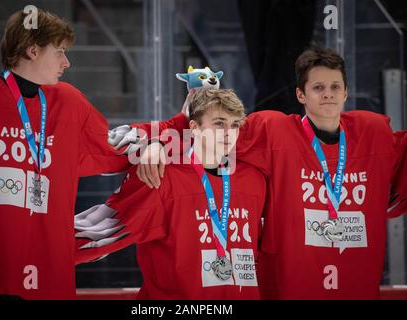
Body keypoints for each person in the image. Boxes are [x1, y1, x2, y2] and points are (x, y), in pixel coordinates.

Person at [132, 46, 407, 299]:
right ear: (301, 94)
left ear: (347, 92)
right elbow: (210, 128)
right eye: (318, 87)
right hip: (288, 286)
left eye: (336, 86)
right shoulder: (272, 131)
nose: (328, 94)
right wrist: (158, 142)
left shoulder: (374, 134)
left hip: (355, 285)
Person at [0, 8, 187, 299]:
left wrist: (161, 138)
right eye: (60, 52)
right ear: (32, 50)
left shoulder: (67, 103)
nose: (66, 62)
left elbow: (112, 145)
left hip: (47, 275)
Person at [75, 89, 267, 299]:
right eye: (219, 123)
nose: (229, 132)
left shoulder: (254, 181)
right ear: (194, 128)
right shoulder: (163, 178)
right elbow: (100, 233)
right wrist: (41, 248)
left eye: (235, 125)